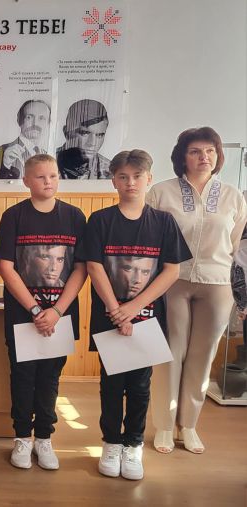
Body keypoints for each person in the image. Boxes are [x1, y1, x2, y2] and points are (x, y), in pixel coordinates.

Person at [84, 149, 191, 481]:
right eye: (123, 177)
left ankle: (133, 444)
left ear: (149, 179)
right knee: (111, 384)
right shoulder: (100, 220)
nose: (130, 182)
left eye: (137, 176)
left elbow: (171, 270)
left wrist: (134, 307)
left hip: (147, 317)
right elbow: (94, 266)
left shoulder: (163, 222)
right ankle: (111, 443)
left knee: (141, 385)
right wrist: (116, 309)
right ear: (114, 181)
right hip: (109, 316)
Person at [146, 127, 247, 454]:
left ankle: (188, 425)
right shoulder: (160, 193)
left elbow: (237, 248)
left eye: (210, 151)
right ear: (182, 157)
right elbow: (149, 242)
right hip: (171, 281)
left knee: (202, 357)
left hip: (217, 284)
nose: (204, 157)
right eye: (195, 151)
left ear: (218, 156)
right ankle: (164, 425)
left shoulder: (233, 196)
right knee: (169, 354)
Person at [0, 153, 87, 471]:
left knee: (50, 378)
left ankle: (44, 438)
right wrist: (35, 308)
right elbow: (6, 267)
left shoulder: (74, 217)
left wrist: (57, 311)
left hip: (60, 315)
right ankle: (22, 437)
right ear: (26, 181)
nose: (48, 182)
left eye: (53, 176)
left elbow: (80, 269)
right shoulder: (14, 216)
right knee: (22, 377)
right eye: (40, 176)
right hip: (23, 315)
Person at [56, 99, 111, 179]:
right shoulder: (47, 162)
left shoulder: (111, 170)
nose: (92, 143)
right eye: (84, 133)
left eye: (99, 135)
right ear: (66, 133)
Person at [0, 100, 51, 179]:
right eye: (29, 117)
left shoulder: (47, 154)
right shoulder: (2, 150)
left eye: (41, 118)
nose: (35, 123)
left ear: (48, 124)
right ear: (19, 121)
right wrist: (6, 165)